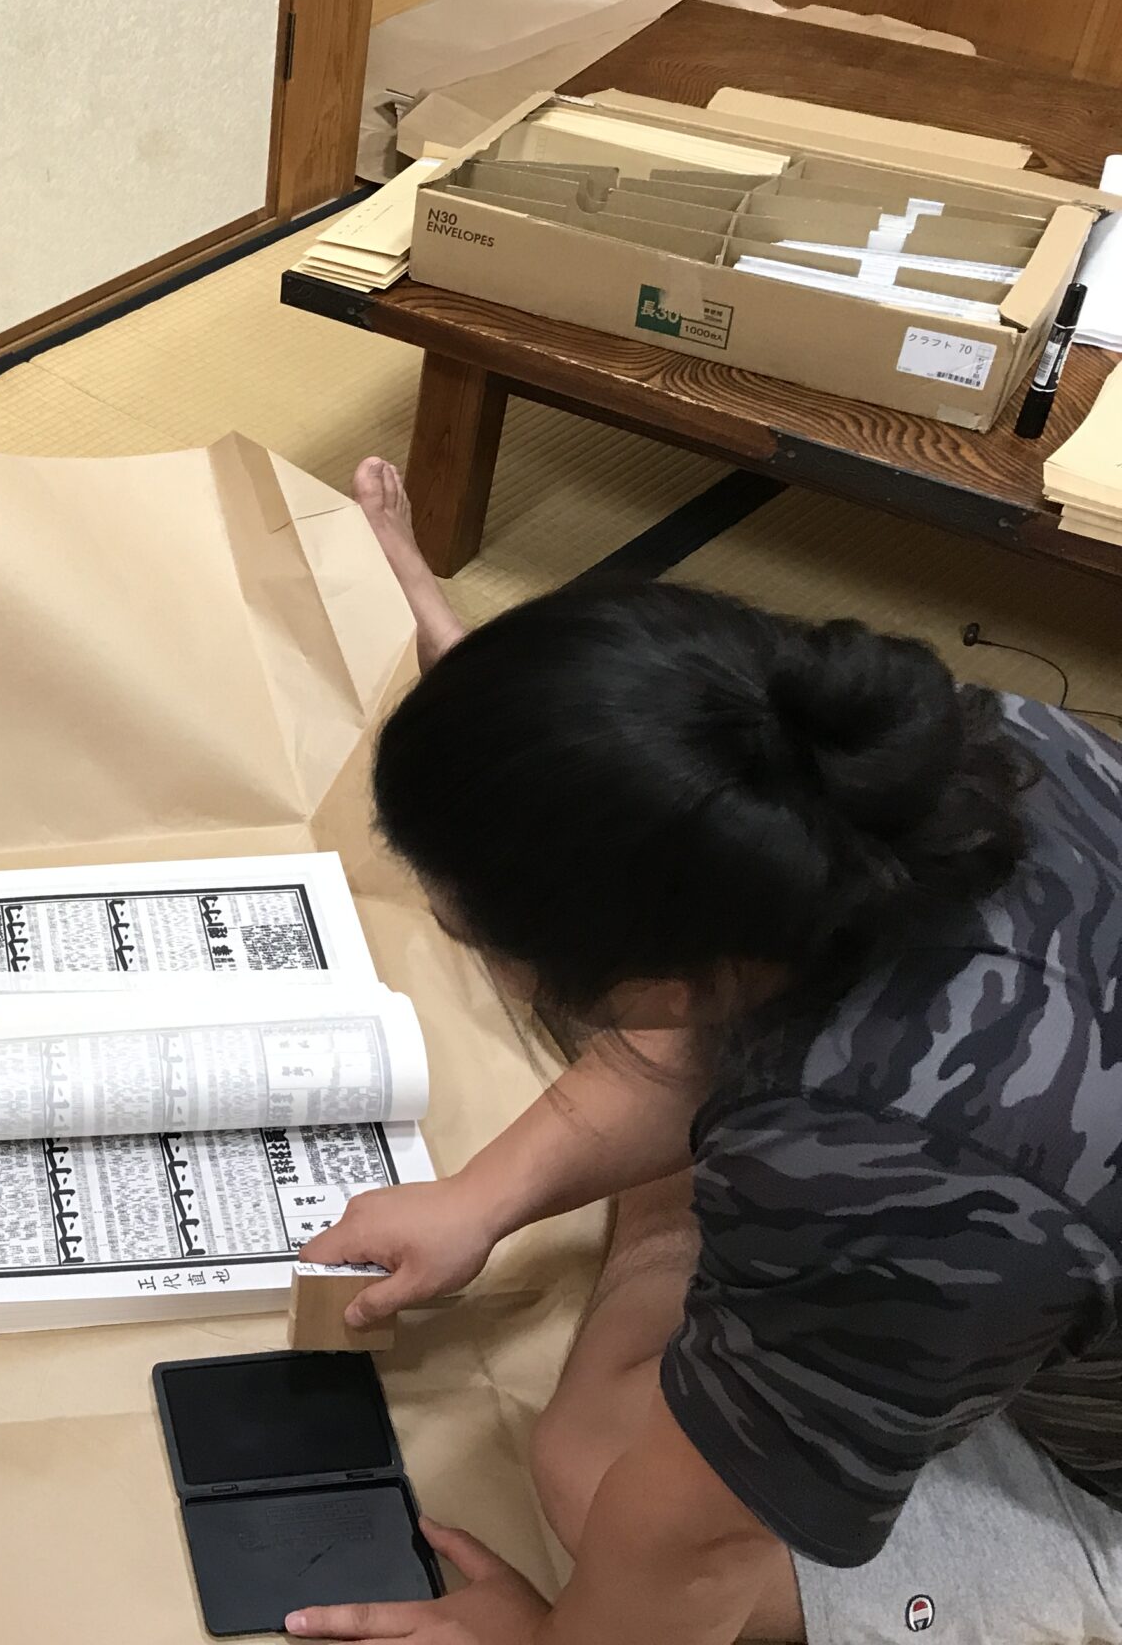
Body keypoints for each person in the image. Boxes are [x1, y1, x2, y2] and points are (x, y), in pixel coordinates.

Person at [279, 458, 1122, 1645]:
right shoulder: (962, 746)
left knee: (593, 1467)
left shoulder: (882, 1168)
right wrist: (481, 1198)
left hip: (1090, 1458)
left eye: (476, 938)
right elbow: (708, 1025)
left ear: (666, 984)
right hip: (1020, 1230)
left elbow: (694, 1550)